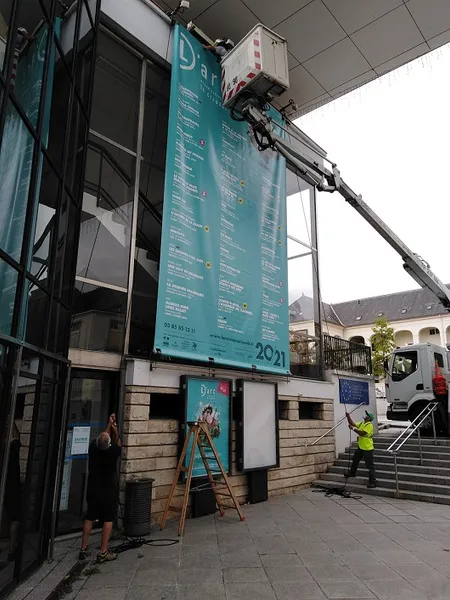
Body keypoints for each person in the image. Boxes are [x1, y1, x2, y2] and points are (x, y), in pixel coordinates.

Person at [79, 414, 121, 562]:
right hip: (108, 490)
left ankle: (83, 548)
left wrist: (109, 425)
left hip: (93, 488)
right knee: (108, 519)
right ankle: (103, 551)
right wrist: (115, 431)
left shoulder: (93, 447)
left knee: (90, 516)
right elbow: (117, 444)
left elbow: (103, 438)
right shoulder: (112, 452)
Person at [344, 410, 377, 489]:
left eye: (367, 415)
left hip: (368, 448)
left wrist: (353, 429)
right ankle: (352, 473)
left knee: (370, 465)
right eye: (366, 414)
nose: (365, 415)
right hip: (361, 447)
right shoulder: (362, 423)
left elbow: (362, 433)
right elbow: (352, 424)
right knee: (355, 459)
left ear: (369, 418)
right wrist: (348, 416)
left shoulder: (369, 425)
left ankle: (373, 481)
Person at [4, 423, 22, 561]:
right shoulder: (12, 450)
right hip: (12, 487)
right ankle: (12, 548)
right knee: (15, 518)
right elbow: (17, 436)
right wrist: (11, 421)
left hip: (7, 488)